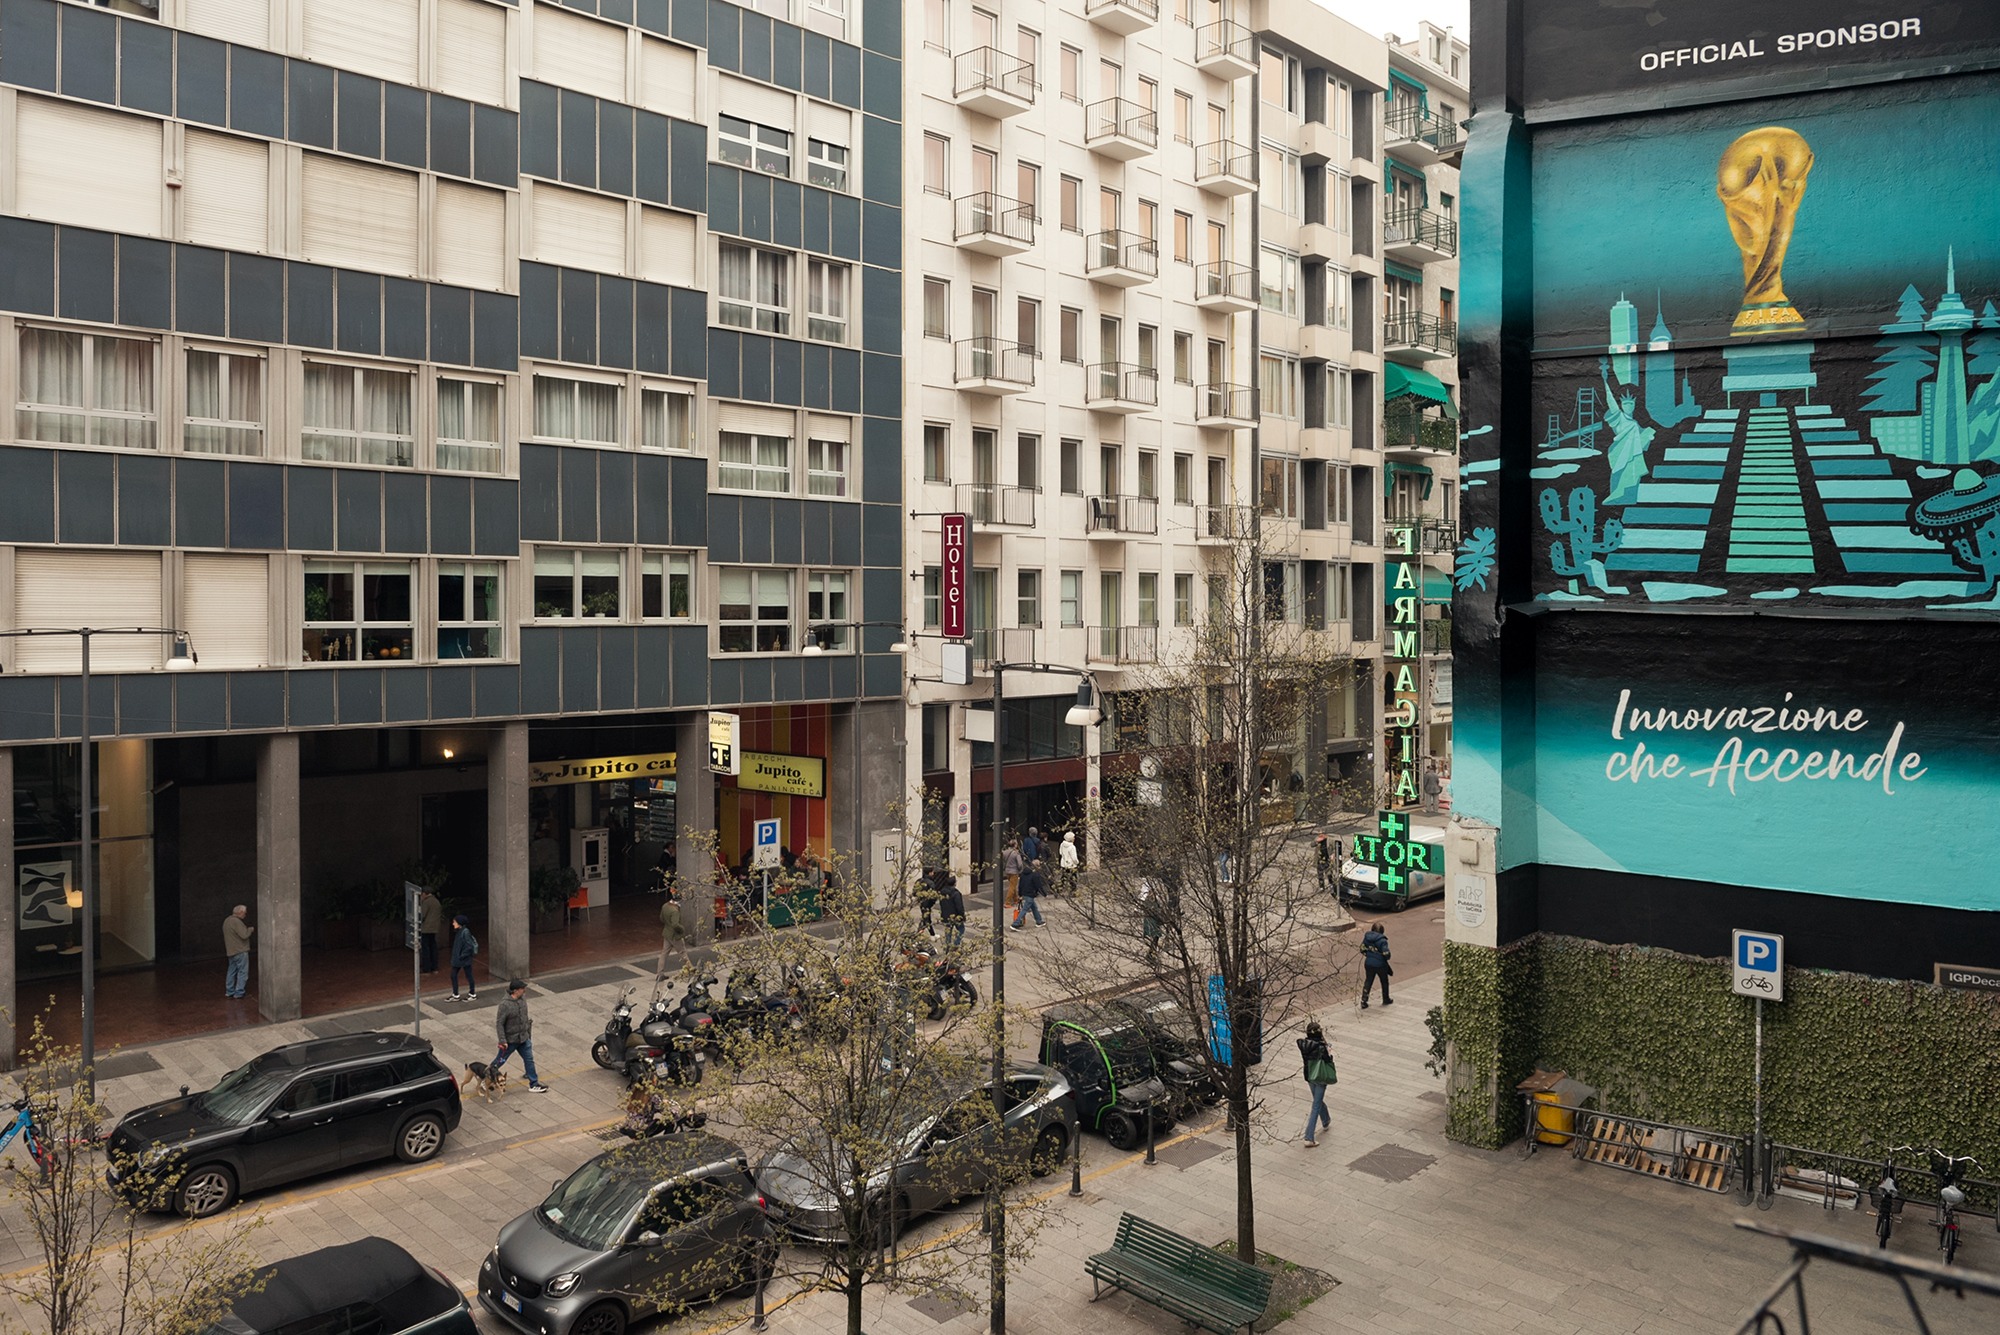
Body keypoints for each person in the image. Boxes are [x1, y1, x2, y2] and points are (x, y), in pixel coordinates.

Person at [493, 979, 549, 1092]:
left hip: (523, 1038)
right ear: (515, 991)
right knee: (499, 1061)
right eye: (522, 989)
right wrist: (502, 1040)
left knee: (529, 1060)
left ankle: (534, 1083)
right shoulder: (505, 1005)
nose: (524, 990)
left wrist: (527, 1031)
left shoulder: (522, 998)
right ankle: (486, 1077)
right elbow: (499, 1023)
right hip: (510, 1040)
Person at [1297, 1020, 1337, 1147]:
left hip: (1309, 1075)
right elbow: (1328, 1060)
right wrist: (1328, 1050)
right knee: (1316, 1105)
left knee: (1317, 1100)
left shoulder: (1303, 1044)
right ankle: (1309, 1137)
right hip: (1320, 1076)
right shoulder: (1321, 1047)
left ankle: (1325, 1119)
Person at [222, 905, 253, 999]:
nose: (245, 915)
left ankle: (229, 991)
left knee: (231, 971)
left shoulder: (227, 920)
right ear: (240, 912)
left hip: (231, 951)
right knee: (242, 972)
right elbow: (244, 935)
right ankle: (239, 992)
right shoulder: (236, 921)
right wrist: (250, 929)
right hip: (240, 951)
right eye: (245, 913)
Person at [657, 880, 688, 973]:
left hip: (666, 933)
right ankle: (690, 970)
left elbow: (661, 918)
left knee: (664, 953)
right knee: (682, 953)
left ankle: (660, 973)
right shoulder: (675, 911)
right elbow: (675, 925)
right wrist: (682, 929)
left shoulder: (665, 906)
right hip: (675, 935)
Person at [1361, 921, 1393, 1008]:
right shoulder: (1382, 941)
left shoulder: (1367, 938)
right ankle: (1386, 999)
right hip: (1380, 964)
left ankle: (1364, 1000)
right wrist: (1385, 957)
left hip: (1368, 963)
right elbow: (1386, 954)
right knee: (1384, 981)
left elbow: (1362, 949)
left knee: (1368, 981)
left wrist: (1369, 955)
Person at [448, 913, 479, 1000]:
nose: (453, 924)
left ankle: (471, 993)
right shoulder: (460, 931)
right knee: (456, 975)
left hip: (463, 958)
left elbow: (469, 946)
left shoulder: (465, 932)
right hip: (460, 958)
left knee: (467, 975)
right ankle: (457, 994)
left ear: (459, 923)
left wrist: (462, 955)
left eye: (454, 922)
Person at [1011, 858, 1046, 930]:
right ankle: (1015, 923)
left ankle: (1039, 921)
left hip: (1025, 893)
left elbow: (1020, 884)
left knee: (1034, 907)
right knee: (1025, 909)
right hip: (1030, 893)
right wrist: (1044, 893)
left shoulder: (1023, 874)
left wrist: (1020, 894)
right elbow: (1038, 885)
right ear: (1037, 866)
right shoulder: (1035, 875)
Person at [416, 887, 442, 974]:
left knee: (425, 948)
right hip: (434, 928)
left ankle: (426, 968)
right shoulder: (436, 901)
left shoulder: (426, 902)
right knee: (433, 947)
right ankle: (434, 967)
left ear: (424, 893)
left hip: (426, 928)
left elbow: (422, 915)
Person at [939, 873, 967, 951]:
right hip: (956, 916)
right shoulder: (956, 894)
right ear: (954, 883)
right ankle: (956, 944)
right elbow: (959, 907)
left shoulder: (942, 892)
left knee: (948, 931)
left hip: (945, 915)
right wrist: (962, 916)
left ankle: (947, 946)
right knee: (961, 929)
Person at [1139, 878, 1161, 969]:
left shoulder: (1152, 899)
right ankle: (1151, 954)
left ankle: (1152, 954)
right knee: (1156, 936)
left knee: (1156, 937)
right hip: (1151, 920)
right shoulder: (1150, 900)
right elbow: (1155, 910)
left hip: (1153, 920)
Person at [915, 867, 941, 937]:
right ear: (930, 873)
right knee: (926, 920)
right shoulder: (930, 883)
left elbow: (914, 892)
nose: (933, 873)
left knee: (926, 919)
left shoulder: (919, 881)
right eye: (932, 872)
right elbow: (934, 895)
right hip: (928, 903)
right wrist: (933, 902)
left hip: (921, 902)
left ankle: (931, 934)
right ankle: (919, 935)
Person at [1002, 838, 1023, 907]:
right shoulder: (1016, 853)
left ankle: (1016, 899)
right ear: (1015, 845)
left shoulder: (1005, 852)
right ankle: (1007, 902)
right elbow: (1020, 864)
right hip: (1014, 871)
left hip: (1007, 871)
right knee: (1012, 887)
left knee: (1012, 885)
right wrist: (1020, 870)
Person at [1058, 831, 1080, 897]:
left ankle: (1059, 890)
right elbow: (1074, 858)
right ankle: (1073, 892)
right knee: (1073, 879)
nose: (1074, 838)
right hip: (1071, 865)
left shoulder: (1062, 844)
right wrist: (1077, 862)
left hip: (1064, 863)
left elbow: (1060, 853)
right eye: (1073, 837)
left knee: (1063, 878)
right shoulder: (1072, 847)